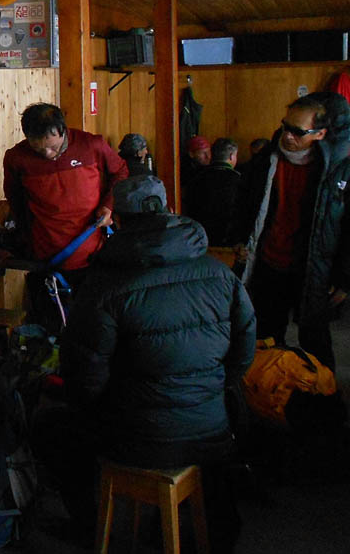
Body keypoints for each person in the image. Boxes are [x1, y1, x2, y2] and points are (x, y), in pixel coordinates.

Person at [37, 176, 255, 551]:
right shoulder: (219, 273)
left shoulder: (104, 287)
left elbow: (84, 380)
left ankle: (91, 530)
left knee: (52, 427)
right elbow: (243, 352)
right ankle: (216, 533)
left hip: (137, 437)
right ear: (167, 209)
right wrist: (206, 391)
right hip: (213, 431)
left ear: (116, 221)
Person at [235, 92, 350, 370]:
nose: (287, 136)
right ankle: (263, 405)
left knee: (315, 349)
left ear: (321, 134)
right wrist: (237, 240)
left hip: (316, 274)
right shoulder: (264, 163)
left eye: (298, 131)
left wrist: (347, 279)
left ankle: (321, 407)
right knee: (264, 343)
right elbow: (242, 203)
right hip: (268, 268)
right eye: (285, 126)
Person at [2, 102, 128, 274]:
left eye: (53, 147)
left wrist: (108, 205)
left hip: (93, 249)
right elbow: (15, 199)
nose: (48, 154)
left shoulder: (91, 145)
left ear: (63, 130)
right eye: (38, 148)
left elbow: (120, 171)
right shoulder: (16, 158)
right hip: (46, 255)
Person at [184, 137, 244, 246]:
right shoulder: (239, 180)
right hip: (229, 240)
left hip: (199, 238)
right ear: (232, 156)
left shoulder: (196, 178)